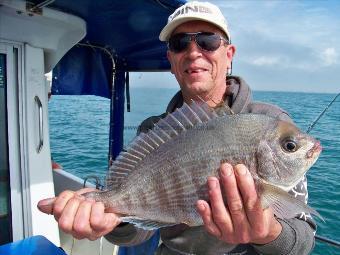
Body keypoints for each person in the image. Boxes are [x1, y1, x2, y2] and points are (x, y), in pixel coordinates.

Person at [38, 1, 316, 254]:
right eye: (180, 43)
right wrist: (112, 219)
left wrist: (268, 234)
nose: (194, 52)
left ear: (229, 54)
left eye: (208, 41)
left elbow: (304, 240)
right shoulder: (154, 130)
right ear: (171, 60)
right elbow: (139, 230)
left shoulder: (270, 121)